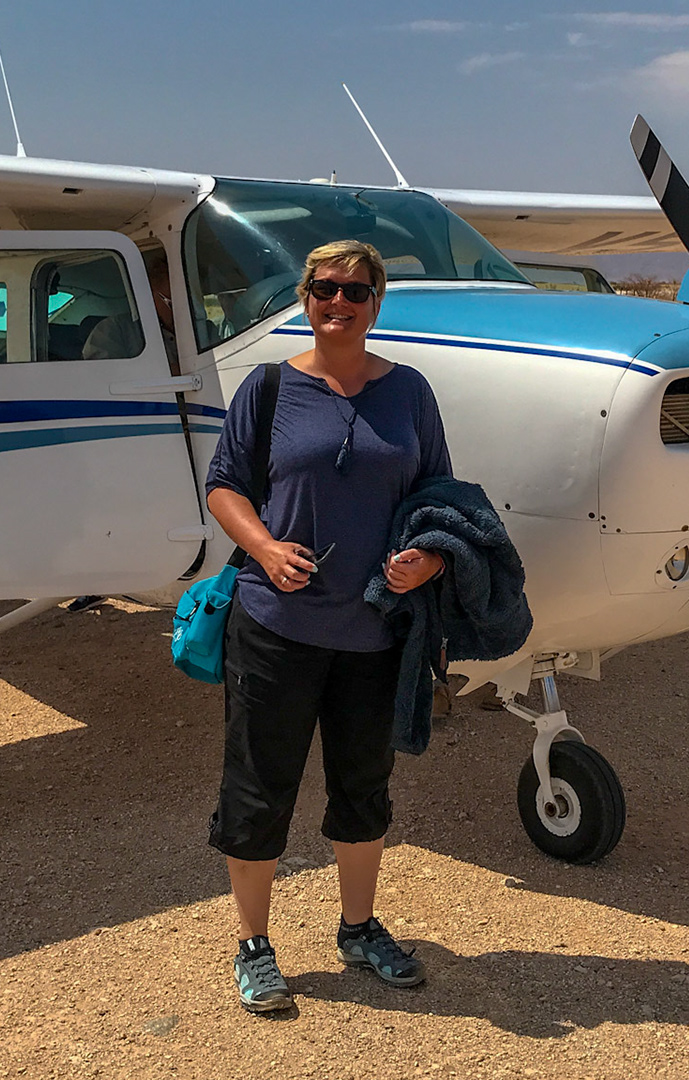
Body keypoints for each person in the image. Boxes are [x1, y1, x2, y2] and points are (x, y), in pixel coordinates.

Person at [203, 239, 451, 1013]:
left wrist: (429, 562)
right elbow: (224, 487)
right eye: (323, 289)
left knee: (363, 788)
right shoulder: (269, 387)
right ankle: (254, 944)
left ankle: (358, 928)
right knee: (260, 785)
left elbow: (443, 501)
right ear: (305, 298)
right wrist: (265, 548)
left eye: (354, 290)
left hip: (374, 633)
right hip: (275, 626)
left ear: (377, 302)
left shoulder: (409, 393)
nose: (337, 303)